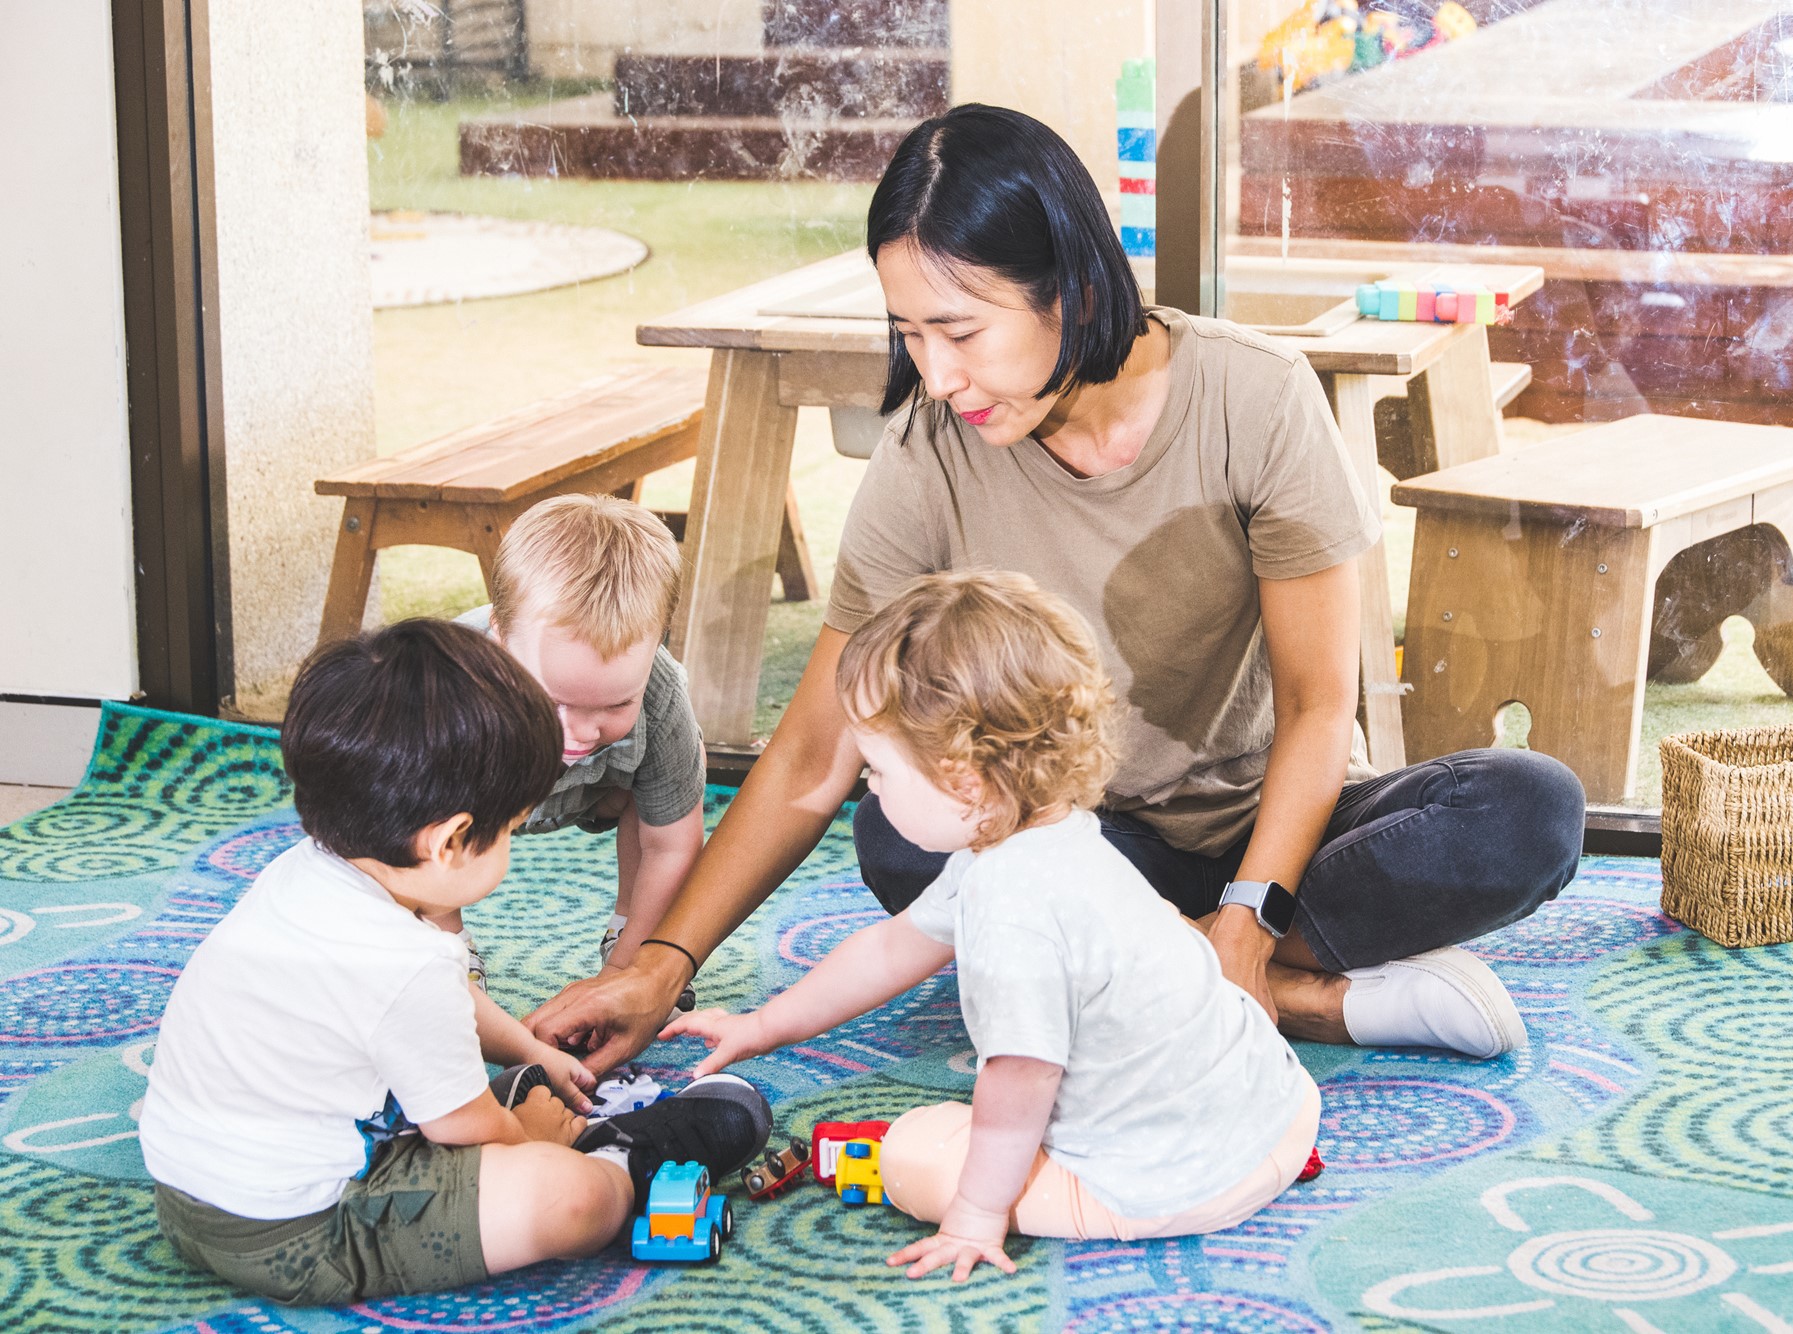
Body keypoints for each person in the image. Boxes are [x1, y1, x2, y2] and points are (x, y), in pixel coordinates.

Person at [528, 103, 1584, 1076]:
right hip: (1072, 835)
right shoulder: (927, 454)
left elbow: (1318, 703)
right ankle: (1305, 997)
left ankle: (1156, 969)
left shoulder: (1254, 396)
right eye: (908, 334)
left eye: (960, 332)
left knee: (1526, 811)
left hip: (1280, 832)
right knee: (902, 835)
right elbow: (815, 751)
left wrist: (1249, 916)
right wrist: (660, 965)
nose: (936, 376)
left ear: (1071, 290)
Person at [668, 572, 1321, 1279]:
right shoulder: (1045, 834)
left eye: (878, 769)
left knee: (915, 1152)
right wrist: (765, 1025)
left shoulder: (1013, 914)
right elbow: (891, 948)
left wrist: (977, 1213)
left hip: (1170, 1186)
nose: (870, 787)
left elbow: (1021, 1080)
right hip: (1282, 1112)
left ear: (963, 781)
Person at [138, 620, 763, 1306]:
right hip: (305, 1233)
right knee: (569, 1199)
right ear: (451, 842)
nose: (512, 844)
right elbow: (461, 1127)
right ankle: (622, 1156)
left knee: (486, 1096)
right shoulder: (406, 964)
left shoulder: (303, 874)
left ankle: (527, 1116)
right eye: (512, 830)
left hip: (190, 1201)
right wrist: (530, 1139)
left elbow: (444, 1005)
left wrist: (529, 1049)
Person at [450, 494, 707, 987]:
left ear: (657, 641)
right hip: (462, 804)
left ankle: (627, 931)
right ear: (500, 639)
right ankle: (450, 946)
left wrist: (627, 975)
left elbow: (673, 848)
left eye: (616, 705)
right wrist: (441, 952)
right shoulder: (446, 685)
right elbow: (404, 831)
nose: (582, 732)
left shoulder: (659, 692)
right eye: (555, 702)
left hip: (596, 796)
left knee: (680, 764)